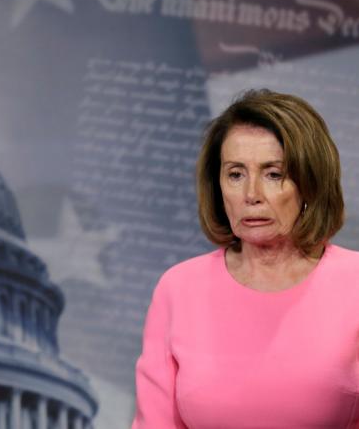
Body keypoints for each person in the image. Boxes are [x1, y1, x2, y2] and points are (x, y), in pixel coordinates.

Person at [132, 89, 357, 428]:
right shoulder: (179, 288)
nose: (251, 195)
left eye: (273, 174)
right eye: (236, 174)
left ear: (310, 182)